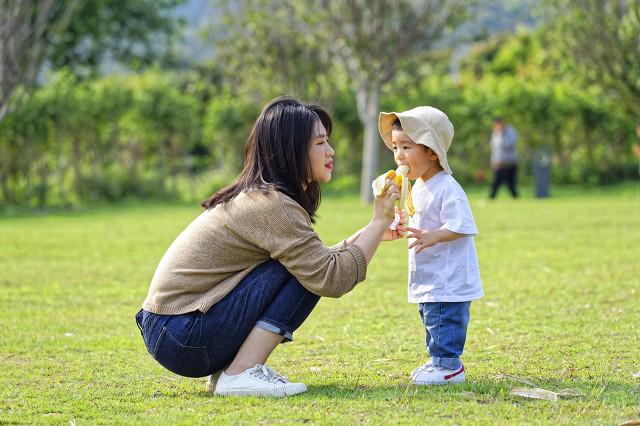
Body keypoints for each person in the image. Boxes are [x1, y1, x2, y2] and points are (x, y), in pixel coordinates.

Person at [135, 97, 403, 397]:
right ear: (291, 150)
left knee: (304, 267)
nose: (331, 151)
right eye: (319, 143)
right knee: (305, 272)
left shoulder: (263, 197)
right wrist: (380, 220)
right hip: (182, 334)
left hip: (175, 331)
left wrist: (373, 233)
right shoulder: (273, 206)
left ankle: (231, 373)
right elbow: (329, 276)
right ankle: (240, 373)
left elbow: (318, 262)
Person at [378, 106, 483, 385]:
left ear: (432, 152)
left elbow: (462, 225)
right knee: (431, 318)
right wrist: (400, 219)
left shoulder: (447, 187)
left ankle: (449, 366)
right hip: (429, 274)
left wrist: (432, 236)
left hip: (448, 278)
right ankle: (436, 361)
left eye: (406, 147)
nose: (399, 155)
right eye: (395, 147)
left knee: (444, 318)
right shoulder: (419, 185)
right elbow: (418, 216)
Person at [489, 117, 519, 199]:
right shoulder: (495, 133)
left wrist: (502, 134)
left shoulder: (510, 131)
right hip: (499, 163)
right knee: (496, 182)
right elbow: (494, 148)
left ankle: (515, 197)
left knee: (511, 183)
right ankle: (491, 197)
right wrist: (493, 160)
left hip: (509, 162)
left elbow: (510, 144)